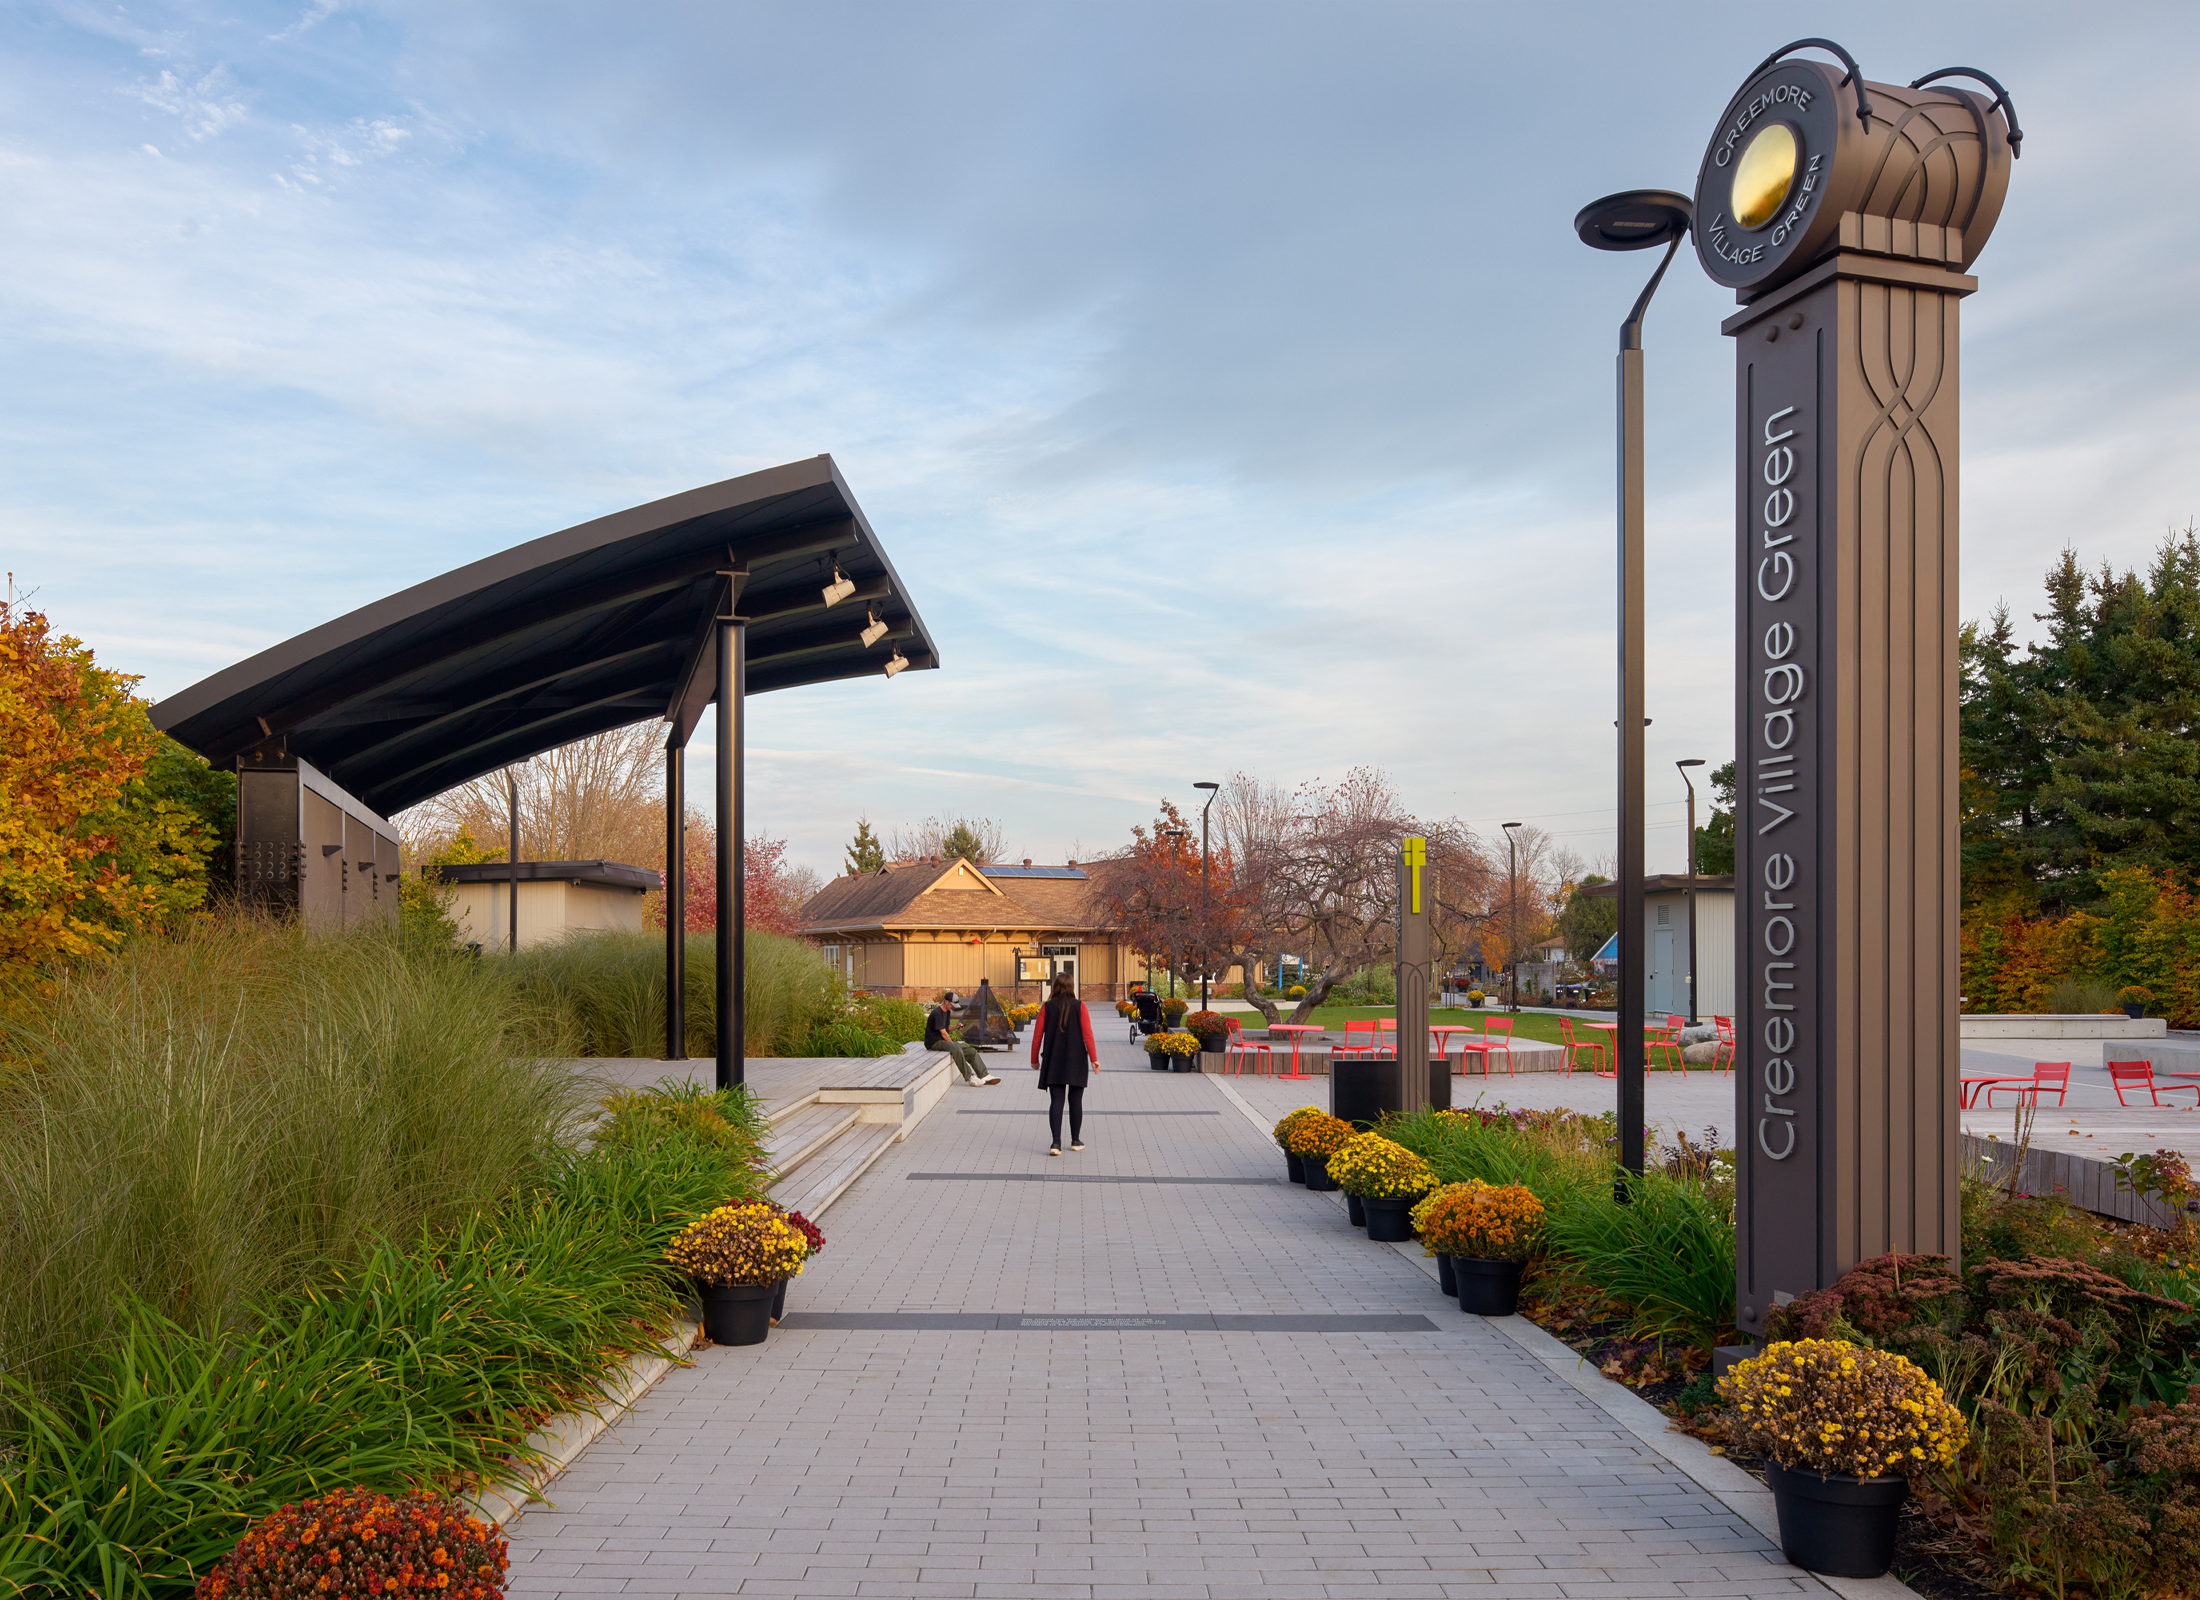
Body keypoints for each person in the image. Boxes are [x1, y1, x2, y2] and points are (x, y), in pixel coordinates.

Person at [1028, 972, 1098, 1155]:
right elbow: (1088, 1035)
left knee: (1056, 1100)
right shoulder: (1081, 1007)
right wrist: (1094, 1059)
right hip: (1076, 1060)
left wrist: (1034, 1059)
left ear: (1055, 987)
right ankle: (1075, 1140)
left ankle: (1056, 1144)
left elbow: (1037, 1037)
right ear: (1071, 987)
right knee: (1076, 1100)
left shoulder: (1046, 1008)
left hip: (1054, 1060)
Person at [927, 990, 999, 1086]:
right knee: (956, 1048)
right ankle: (970, 1078)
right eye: (952, 1005)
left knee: (972, 1051)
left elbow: (946, 1027)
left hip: (943, 1041)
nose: (953, 1007)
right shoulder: (937, 1013)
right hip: (934, 1042)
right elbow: (944, 1034)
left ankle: (984, 1075)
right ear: (946, 1002)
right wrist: (952, 1044)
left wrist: (956, 1027)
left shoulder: (947, 1012)